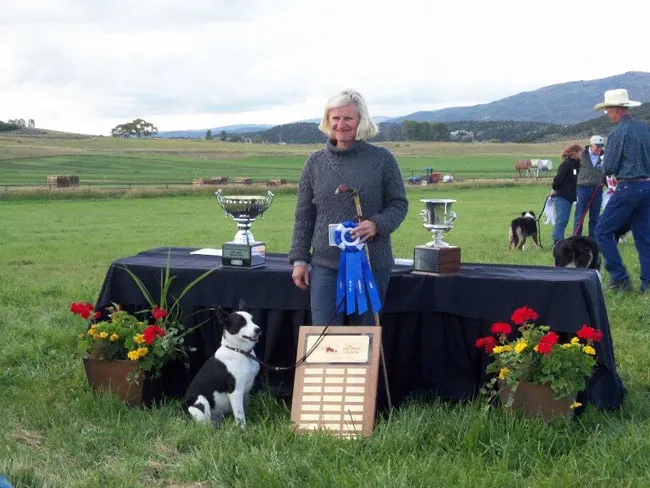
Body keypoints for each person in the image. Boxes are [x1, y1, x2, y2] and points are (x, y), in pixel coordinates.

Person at [288, 89, 408, 325]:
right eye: (335, 118)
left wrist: (377, 224)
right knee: (325, 342)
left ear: (361, 121)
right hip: (324, 266)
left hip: (372, 264)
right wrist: (300, 260)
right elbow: (304, 216)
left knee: (364, 341)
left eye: (348, 118)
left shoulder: (382, 159)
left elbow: (398, 204)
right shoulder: (314, 163)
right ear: (327, 120)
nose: (341, 124)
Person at [593, 89, 650, 292]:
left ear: (615, 110)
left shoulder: (618, 132)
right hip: (647, 186)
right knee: (644, 237)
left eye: (608, 109)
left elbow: (609, 167)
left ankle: (620, 278)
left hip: (628, 186)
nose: (607, 114)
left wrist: (603, 167)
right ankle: (648, 284)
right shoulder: (644, 128)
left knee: (602, 230)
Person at [550, 143, 582, 245]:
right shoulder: (566, 164)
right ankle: (557, 242)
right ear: (574, 153)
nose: (582, 154)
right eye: (581, 152)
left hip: (570, 197)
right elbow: (557, 179)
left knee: (564, 220)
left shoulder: (577, 164)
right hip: (562, 196)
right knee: (562, 220)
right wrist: (555, 189)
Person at [573, 135, 606, 238]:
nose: (599, 149)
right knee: (580, 216)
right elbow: (574, 170)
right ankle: (576, 239)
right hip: (583, 189)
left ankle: (593, 240)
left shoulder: (604, 156)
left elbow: (607, 171)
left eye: (601, 146)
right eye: (597, 146)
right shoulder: (581, 155)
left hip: (597, 190)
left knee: (595, 217)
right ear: (591, 145)